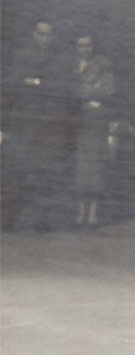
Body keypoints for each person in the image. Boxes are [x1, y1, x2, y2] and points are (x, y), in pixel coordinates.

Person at [4, 19, 74, 231]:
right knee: (23, 167)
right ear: (34, 34)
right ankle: (16, 219)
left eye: (49, 34)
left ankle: (44, 220)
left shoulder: (60, 57)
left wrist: (34, 82)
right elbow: (14, 82)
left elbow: (60, 85)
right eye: (41, 34)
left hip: (50, 121)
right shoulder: (22, 55)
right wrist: (39, 83)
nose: (45, 38)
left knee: (48, 168)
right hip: (27, 120)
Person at [71, 33, 115, 227]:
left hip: (97, 122)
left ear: (93, 46)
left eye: (88, 45)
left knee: (95, 166)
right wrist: (89, 94)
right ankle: (80, 212)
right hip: (79, 122)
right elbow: (70, 90)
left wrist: (86, 95)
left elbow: (107, 90)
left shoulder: (103, 64)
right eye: (81, 46)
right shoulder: (72, 65)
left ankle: (93, 214)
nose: (85, 49)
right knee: (81, 167)